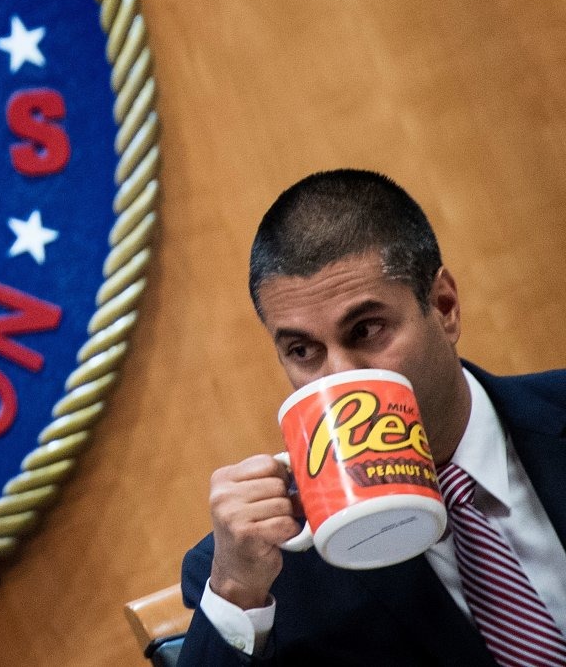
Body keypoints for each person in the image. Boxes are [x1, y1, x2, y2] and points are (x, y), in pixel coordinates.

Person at [178, 169, 566, 666]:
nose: (341, 378)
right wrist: (236, 591)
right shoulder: (266, 569)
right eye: (303, 350)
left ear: (444, 306)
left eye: (365, 329)